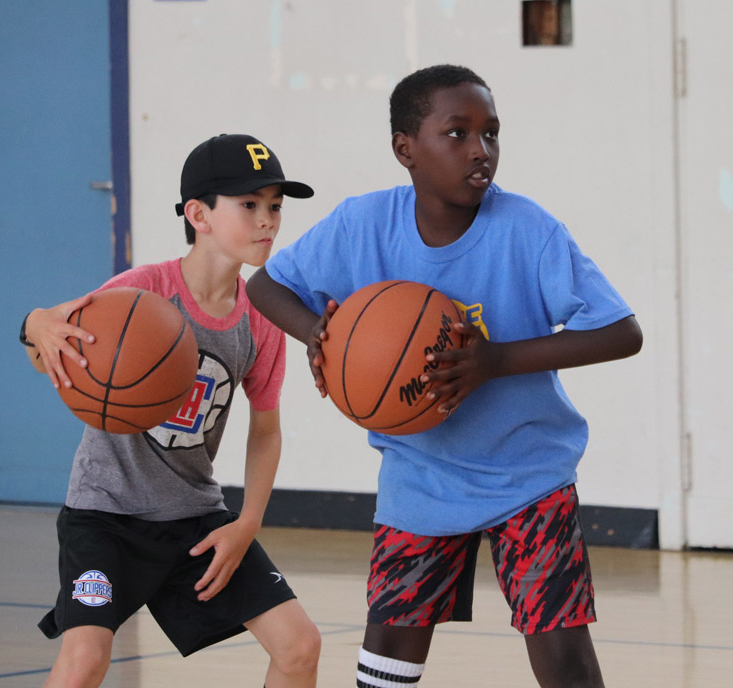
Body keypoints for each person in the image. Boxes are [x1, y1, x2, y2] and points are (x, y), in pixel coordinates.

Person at [246, 65, 643, 688]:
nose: (480, 150)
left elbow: (622, 332)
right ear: (405, 148)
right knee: (387, 661)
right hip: (420, 474)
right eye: (457, 133)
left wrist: (495, 361)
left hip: (527, 475)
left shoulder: (527, 229)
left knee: (564, 658)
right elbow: (267, 285)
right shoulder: (362, 225)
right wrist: (319, 335)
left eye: (491, 133)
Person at [20, 134, 322, 688]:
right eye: (249, 204)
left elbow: (266, 430)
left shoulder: (261, 316)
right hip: (106, 514)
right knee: (85, 660)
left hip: (194, 516)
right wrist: (35, 323)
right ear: (198, 215)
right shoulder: (144, 291)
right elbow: (50, 347)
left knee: (300, 646)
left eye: (275, 206)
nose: (268, 220)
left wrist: (247, 522)